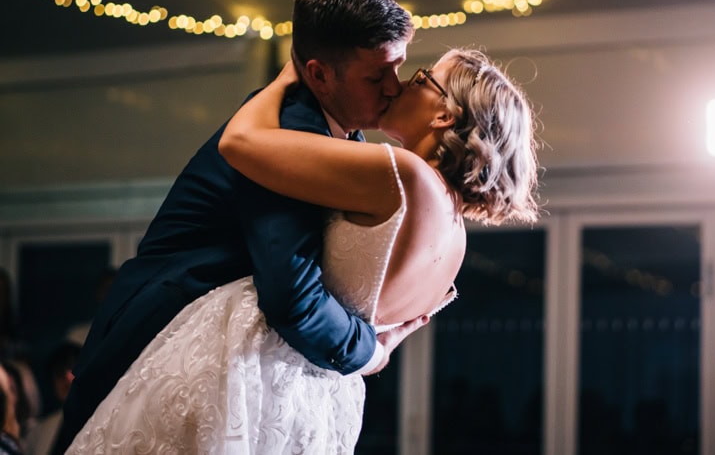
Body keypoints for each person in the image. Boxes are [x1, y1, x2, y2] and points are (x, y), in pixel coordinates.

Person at [65, 48, 540, 452]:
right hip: (320, 400)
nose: (399, 86)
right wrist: (370, 355)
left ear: (444, 115)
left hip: (251, 370)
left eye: (420, 78)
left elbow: (245, 144)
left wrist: (286, 78)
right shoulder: (455, 239)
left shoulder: (403, 176)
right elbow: (376, 335)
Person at [53, 0, 419, 453]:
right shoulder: (292, 136)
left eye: (399, 67)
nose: (395, 87)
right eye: (376, 75)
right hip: (166, 336)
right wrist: (369, 351)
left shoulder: (341, 130)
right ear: (319, 74)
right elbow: (292, 297)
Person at [23, 343, 78, 455]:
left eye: (74, 368)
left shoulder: (108, 413)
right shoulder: (38, 433)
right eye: (59, 373)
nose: (67, 378)